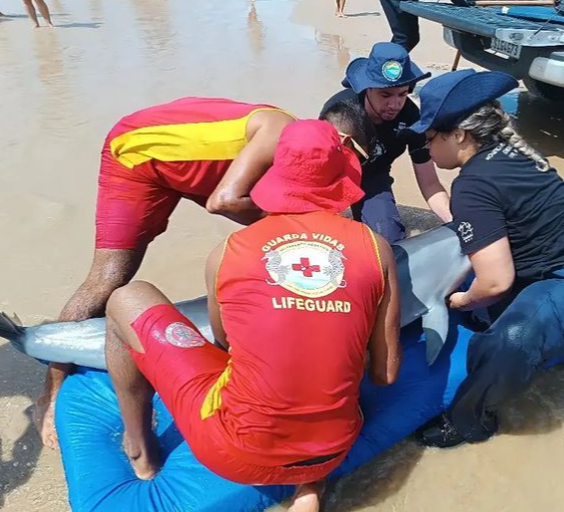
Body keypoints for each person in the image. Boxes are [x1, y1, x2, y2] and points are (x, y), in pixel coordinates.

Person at [36, 97, 375, 450]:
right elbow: (224, 201)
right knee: (107, 279)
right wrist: (284, 232)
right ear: (343, 142)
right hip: (137, 153)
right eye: (355, 162)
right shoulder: (279, 132)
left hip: (194, 170)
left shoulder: (297, 151)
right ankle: (51, 396)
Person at [105, 120, 401, 512]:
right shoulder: (375, 248)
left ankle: (141, 452)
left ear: (273, 175)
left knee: (127, 296)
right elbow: (385, 375)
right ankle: (309, 486)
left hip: (236, 451)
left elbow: (225, 344)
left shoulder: (229, 251)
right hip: (333, 446)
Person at [406, 70, 564, 448]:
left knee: (506, 340)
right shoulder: (508, 152)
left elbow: (495, 282)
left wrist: (461, 299)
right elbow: (465, 222)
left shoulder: (473, 184)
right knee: (488, 313)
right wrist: (425, 171)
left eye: (430, 139)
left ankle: (469, 421)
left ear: (459, 134)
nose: (427, 148)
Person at [321, 42, 452, 243]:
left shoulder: (411, 119)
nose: (394, 104)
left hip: (373, 176)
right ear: (367, 89)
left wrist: (455, 221)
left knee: (389, 240)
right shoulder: (339, 112)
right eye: (385, 95)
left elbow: (430, 182)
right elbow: (316, 166)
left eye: (402, 94)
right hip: (331, 176)